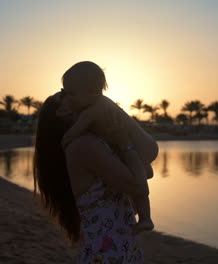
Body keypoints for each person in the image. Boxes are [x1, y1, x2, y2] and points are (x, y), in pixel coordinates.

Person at [33, 61, 158, 263]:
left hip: (116, 250)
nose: (69, 96)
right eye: (63, 95)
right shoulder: (83, 145)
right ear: (60, 113)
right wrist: (125, 142)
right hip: (109, 254)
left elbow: (146, 171)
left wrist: (127, 152)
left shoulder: (89, 141)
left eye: (70, 92)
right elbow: (138, 185)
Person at [57, 80, 156, 235]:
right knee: (140, 179)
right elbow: (147, 174)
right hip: (144, 146)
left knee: (140, 183)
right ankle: (146, 219)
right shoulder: (103, 109)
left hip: (142, 147)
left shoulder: (92, 112)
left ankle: (146, 218)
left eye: (71, 94)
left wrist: (65, 141)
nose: (70, 99)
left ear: (93, 92)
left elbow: (78, 128)